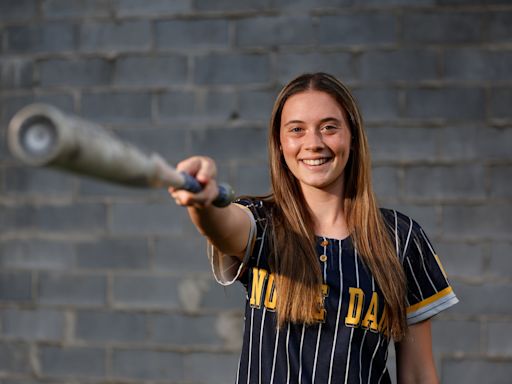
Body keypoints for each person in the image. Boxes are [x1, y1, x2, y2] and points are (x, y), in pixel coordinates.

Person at [169, 73, 458, 384]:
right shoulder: (262, 222)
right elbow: (222, 226)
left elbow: (418, 375)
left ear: (352, 136)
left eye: (329, 128)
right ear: (280, 143)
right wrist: (203, 201)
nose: (314, 143)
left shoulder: (402, 239)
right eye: (297, 130)